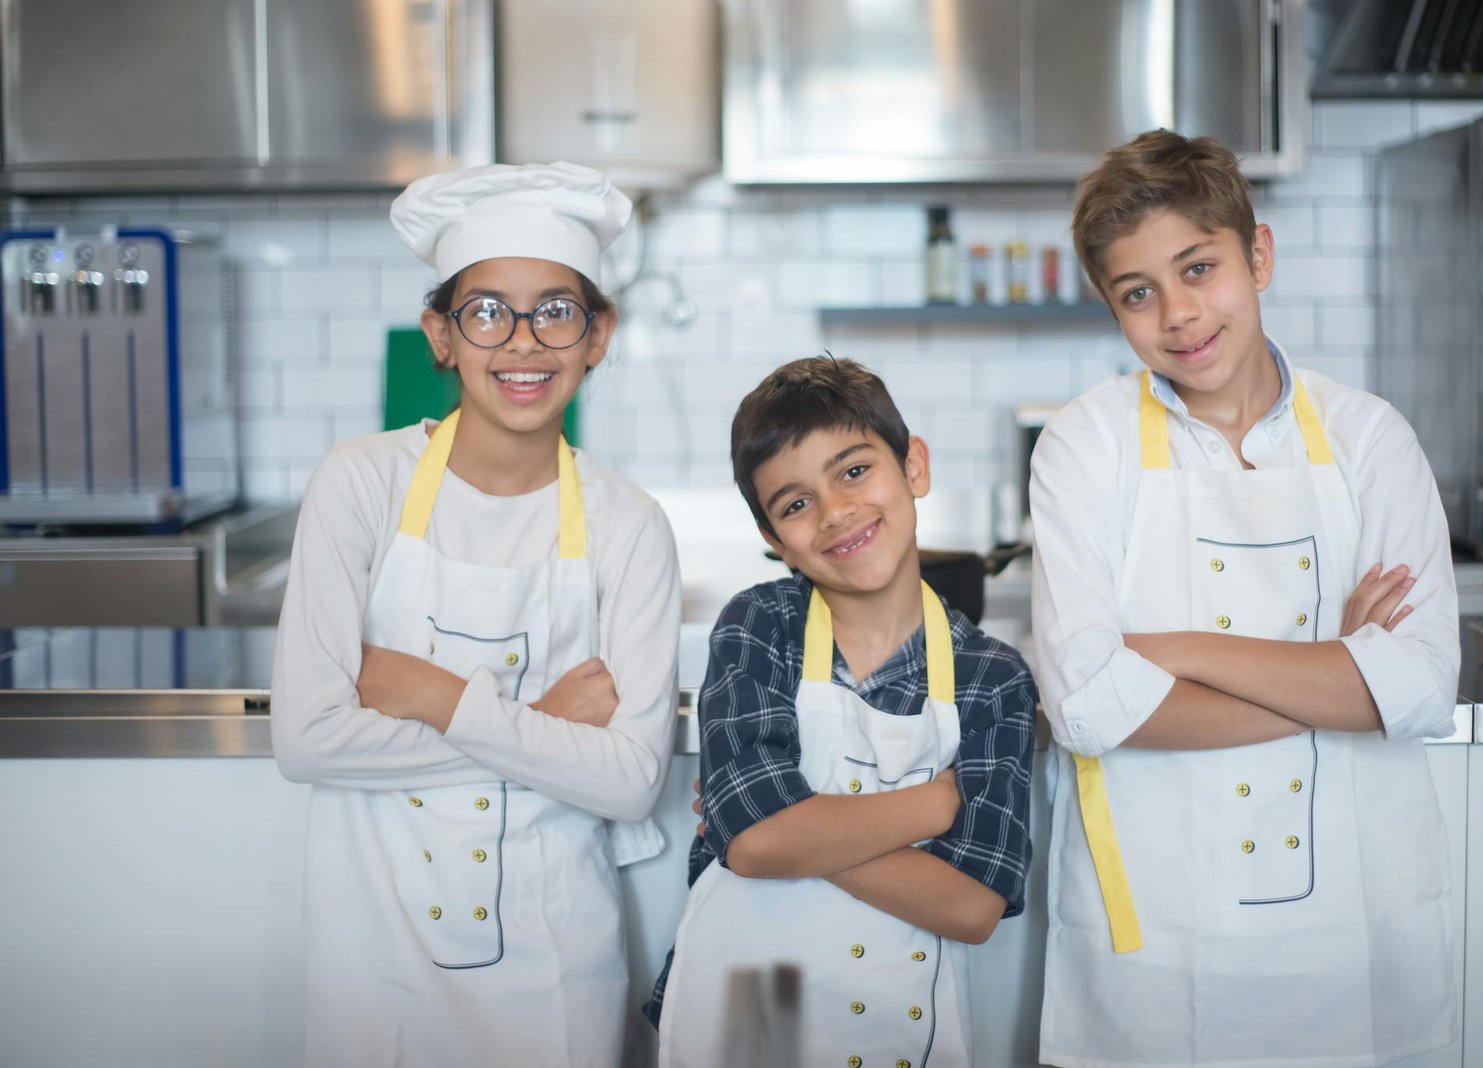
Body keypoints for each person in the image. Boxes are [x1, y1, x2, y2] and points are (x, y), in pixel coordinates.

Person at [1029, 129, 1461, 1068]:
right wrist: (1338, 677)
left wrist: (1174, 649)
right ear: (1111, 308)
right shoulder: (1084, 445)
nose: (1178, 313)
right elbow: (1087, 705)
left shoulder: (1370, 439)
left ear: (1257, 255)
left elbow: (1420, 691)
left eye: (1199, 268)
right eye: (1138, 293)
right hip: (1154, 949)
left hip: (1353, 940)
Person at [270, 161, 681, 1067]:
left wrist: (433, 695)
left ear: (598, 335)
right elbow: (306, 741)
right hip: (372, 959)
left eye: (556, 312)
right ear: (442, 337)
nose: (523, 344)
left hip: (555, 962)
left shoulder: (629, 525)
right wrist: (541, 729)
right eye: (487, 311)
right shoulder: (360, 484)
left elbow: (627, 781)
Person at [649, 356, 1037, 1068]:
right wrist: (931, 806)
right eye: (794, 504)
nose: (834, 513)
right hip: (755, 1006)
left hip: (898, 1016)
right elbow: (756, 843)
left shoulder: (992, 679)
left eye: (854, 471)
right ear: (773, 540)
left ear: (914, 465)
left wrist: (793, 832)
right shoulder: (759, 625)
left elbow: (975, 907)